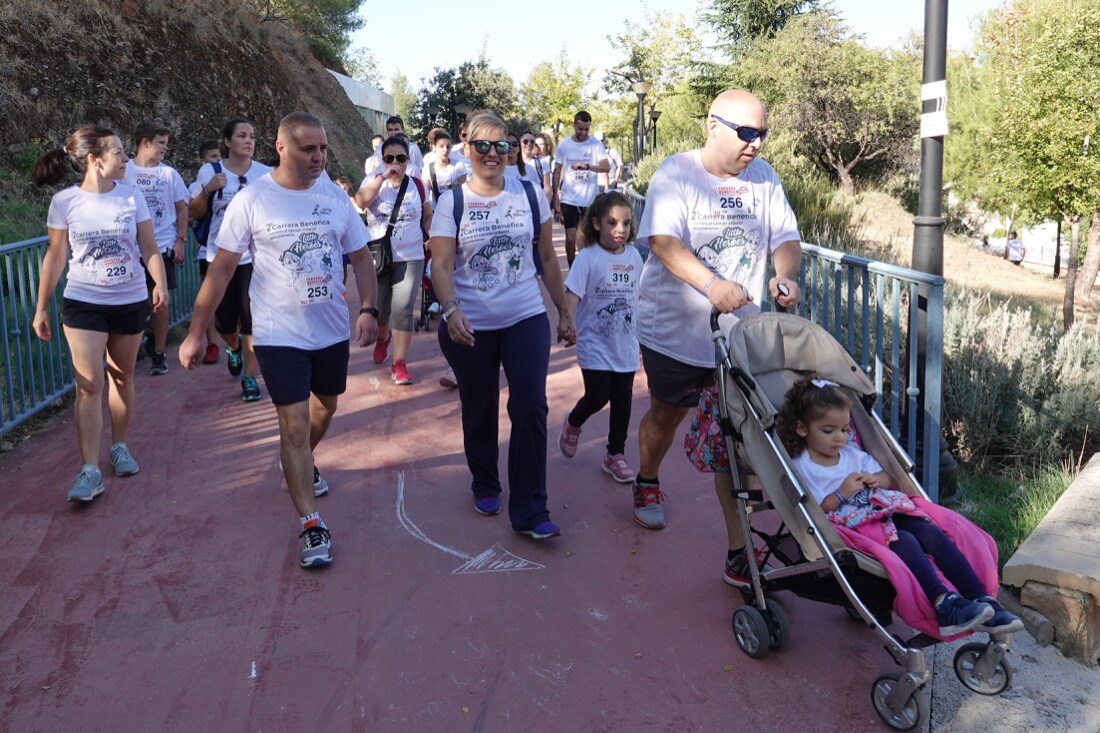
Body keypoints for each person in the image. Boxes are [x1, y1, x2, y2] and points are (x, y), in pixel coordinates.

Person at [179, 112, 380, 569]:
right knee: (291, 426)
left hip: (329, 329)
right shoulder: (253, 200)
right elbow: (223, 268)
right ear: (282, 147)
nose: (319, 157)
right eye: (309, 148)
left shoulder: (334, 198)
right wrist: (195, 332)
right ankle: (311, 523)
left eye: (323, 148)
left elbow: (362, 258)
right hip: (276, 332)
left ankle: (300, 461)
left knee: (324, 409)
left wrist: (368, 308)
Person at [632, 89, 801, 588]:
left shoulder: (764, 178)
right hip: (675, 332)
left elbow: (785, 239)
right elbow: (663, 242)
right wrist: (710, 284)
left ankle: (738, 551)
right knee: (667, 416)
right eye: (746, 133)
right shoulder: (676, 173)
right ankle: (646, 479)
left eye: (762, 134)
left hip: (739, 338)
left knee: (738, 441)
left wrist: (785, 277)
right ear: (712, 125)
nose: (755, 145)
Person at [778, 377, 1024, 637]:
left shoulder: (852, 455)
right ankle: (944, 603)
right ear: (802, 429)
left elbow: (887, 479)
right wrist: (841, 493)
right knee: (904, 540)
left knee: (928, 531)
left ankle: (981, 597)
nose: (839, 438)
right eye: (828, 431)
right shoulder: (803, 465)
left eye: (844, 429)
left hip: (879, 510)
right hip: (853, 525)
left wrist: (876, 480)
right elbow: (816, 509)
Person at [430, 109, 576, 539]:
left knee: (530, 406)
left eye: (501, 146)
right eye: (483, 146)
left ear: (511, 149)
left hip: (524, 316)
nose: (493, 154)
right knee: (479, 408)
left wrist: (563, 311)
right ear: (467, 148)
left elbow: (547, 257)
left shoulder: (528, 193)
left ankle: (531, 509)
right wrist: (451, 309)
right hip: (469, 323)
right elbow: (440, 266)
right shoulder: (451, 201)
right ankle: (485, 480)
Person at [31, 125, 169, 502]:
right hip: (83, 301)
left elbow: (148, 246)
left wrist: (160, 284)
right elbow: (56, 256)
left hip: (129, 299)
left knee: (122, 377)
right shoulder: (64, 202)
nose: (126, 160)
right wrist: (41, 306)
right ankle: (89, 469)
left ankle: (119, 446)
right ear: (95, 161)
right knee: (89, 384)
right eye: (119, 153)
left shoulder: (132, 197)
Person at [558, 192, 642, 483]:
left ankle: (614, 454)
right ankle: (573, 422)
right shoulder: (588, 259)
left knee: (623, 399)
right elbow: (572, 294)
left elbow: (639, 295)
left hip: (625, 343)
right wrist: (567, 319)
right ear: (595, 223)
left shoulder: (633, 256)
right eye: (612, 223)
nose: (621, 230)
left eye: (626, 223)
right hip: (594, 342)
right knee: (598, 395)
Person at [188, 117, 273, 402]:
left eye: (251, 136)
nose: (248, 141)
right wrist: (209, 188)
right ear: (227, 142)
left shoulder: (265, 174)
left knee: (251, 319)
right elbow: (194, 213)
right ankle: (233, 347)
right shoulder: (209, 171)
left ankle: (250, 378)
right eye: (241, 136)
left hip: (255, 258)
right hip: (219, 256)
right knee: (224, 323)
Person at [355, 136, 432, 385]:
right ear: (382, 159)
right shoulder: (375, 181)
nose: (395, 163)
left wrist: (431, 235)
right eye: (389, 158)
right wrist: (382, 176)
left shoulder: (418, 186)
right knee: (380, 311)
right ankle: (383, 336)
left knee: (404, 309)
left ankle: (399, 364)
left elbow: (427, 216)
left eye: (400, 158)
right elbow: (361, 201)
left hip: (411, 255)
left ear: (408, 160)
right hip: (379, 255)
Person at [124, 119, 188, 376]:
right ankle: (132, 349)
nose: (164, 149)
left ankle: (159, 352)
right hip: (130, 248)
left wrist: (181, 241)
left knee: (160, 302)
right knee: (135, 304)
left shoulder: (169, 174)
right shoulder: (124, 169)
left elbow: (182, 209)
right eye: (161, 143)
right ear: (145, 142)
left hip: (161, 246)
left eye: (166, 144)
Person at [552, 111, 610, 267]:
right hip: (568, 198)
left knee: (586, 240)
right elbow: (557, 170)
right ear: (574, 126)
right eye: (580, 129)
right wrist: (555, 196)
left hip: (589, 200)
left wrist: (587, 166)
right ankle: (572, 268)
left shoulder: (595, 144)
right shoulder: (564, 145)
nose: (583, 133)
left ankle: (585, 269)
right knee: (570, 238)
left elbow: (606, 167)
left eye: (586, 129)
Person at [188, 140, 224, 364]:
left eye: (220, 156)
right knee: (210, 298)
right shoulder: (197, 187)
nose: (217, 161)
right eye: (212, 157)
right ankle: (212, 344)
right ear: (202, 162)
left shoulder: (232, 180)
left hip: (235, 251)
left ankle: (236, 339)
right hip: (208, 251)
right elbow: (191, 214)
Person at [422, 129, 467, 207]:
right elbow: (426, 194)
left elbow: (463, 191)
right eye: (441, 146)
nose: (445, 150)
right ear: (434, 147)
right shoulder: (427, 169)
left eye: (448, 147)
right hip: (435, 210)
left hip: (455, 208)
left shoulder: (458, 165)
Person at [520, 130, 551, 198]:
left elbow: (547, 187)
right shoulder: (512, 164)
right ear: (519, 143)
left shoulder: (542, 163)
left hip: (536, 205)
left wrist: (546, 206)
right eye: (525, 141)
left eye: (532, 142)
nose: (529, 144)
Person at [534, 133, 556, 200]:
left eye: (541, 144)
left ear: (547, 146)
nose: (538, 146)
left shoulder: (552, 162)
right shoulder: (532, 161)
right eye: (536, 144)